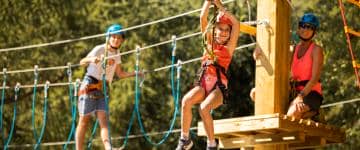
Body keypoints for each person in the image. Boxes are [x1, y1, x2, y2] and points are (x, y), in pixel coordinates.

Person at [176, 0, 239, 149]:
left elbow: (236, 24)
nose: (223, 33)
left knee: (204, 108)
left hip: (219, 87)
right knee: (186, 101)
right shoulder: (208, 42)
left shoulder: (228, 48)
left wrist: (221, 7)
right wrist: (208, 2)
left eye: (226, 30)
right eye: (220, 29)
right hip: (204, 83)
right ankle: (185, 139)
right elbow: (202, 18)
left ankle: (211, 144)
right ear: (214, 30)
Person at [251, 13, 324, 120]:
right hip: (293, 90)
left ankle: (313, 113)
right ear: (299, 28)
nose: (306, 29)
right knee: (255, 93)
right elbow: (274, 60)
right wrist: (257, 54)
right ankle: (304, 114)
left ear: (314, 32)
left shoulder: (316, 50)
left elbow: (314, 79)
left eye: (310, 27)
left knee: (291, 114)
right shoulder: (293, 49)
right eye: (303, 25)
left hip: (311, 93)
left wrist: (300, 97)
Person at [75, 24, 137, 150]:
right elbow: (82, 61)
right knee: (84, 120)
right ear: (108, 38)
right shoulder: (100, 49)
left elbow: (119, 73)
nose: (116, 40)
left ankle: (108, 148)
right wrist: (93, 59)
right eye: (114, 37)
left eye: (119, 38)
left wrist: (135, 74)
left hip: (103, 88)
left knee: (104, 120)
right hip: (90, 84)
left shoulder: (117, 54)